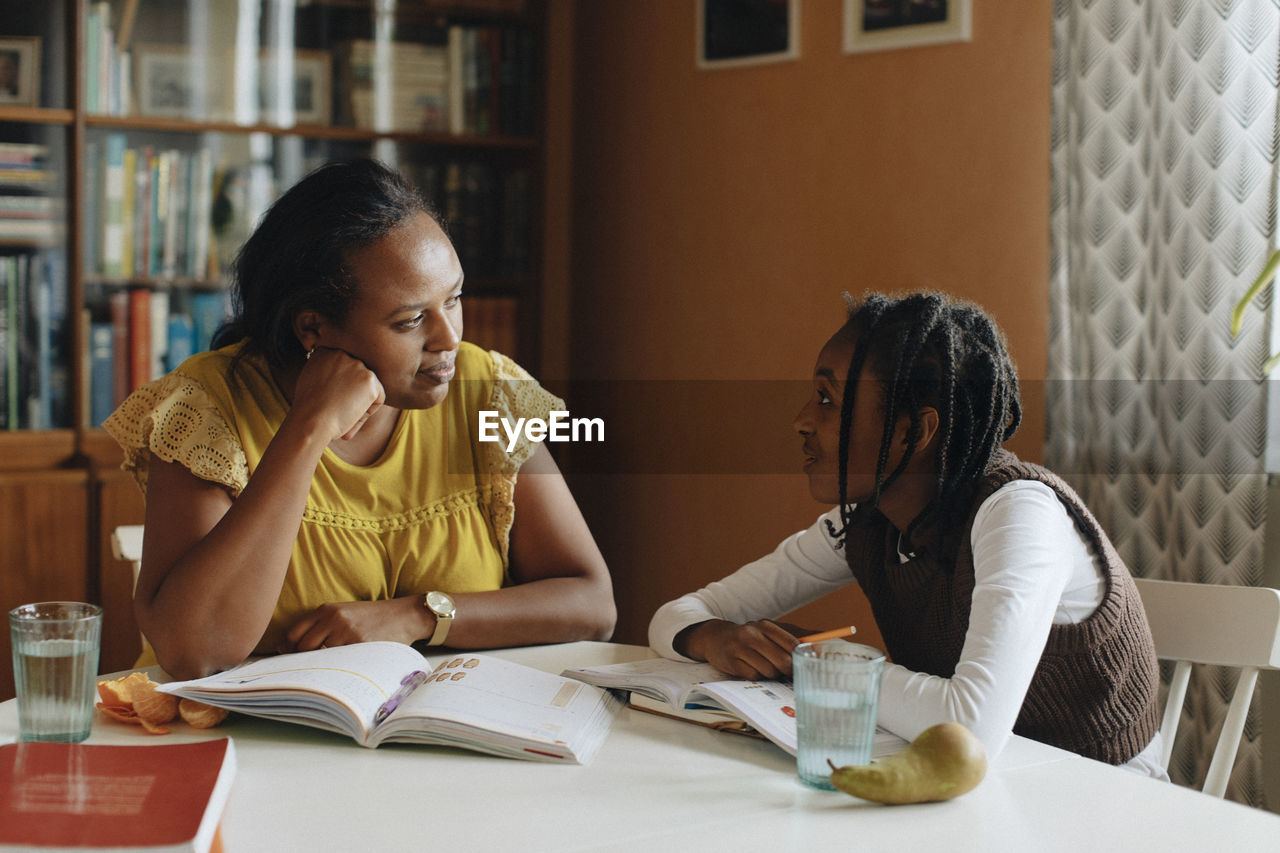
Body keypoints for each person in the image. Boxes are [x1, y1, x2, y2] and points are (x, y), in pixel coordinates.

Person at [105, 159, 615, 680]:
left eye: (454, 298)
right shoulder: (207, 410)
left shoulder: (487, 394)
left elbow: (591, 603)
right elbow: (196, 651)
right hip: (241, 747)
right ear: (313, 328)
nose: (449, 338)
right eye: (411, 319)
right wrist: (308, 427)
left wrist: (417, 615)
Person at [648, 291, 1166, 777]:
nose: (802, 421)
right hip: (975, 785)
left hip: (1099, 798)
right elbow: (677, 613)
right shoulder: (870, 521)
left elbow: (970, 726)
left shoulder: (1019, 513)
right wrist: (713, 637)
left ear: (915, 431)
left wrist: (812, 661)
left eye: (828, 400)